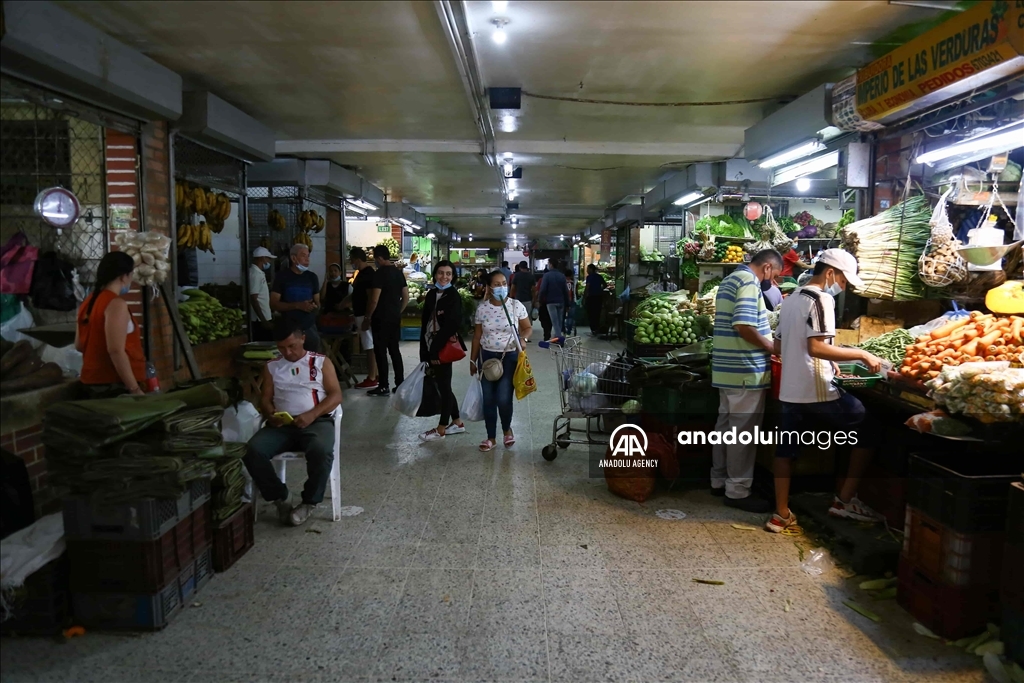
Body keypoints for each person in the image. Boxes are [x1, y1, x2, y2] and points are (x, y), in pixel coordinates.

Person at [767, 249, 884, 533]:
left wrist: (833, 361)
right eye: (843, 281)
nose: (842, 287)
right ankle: (844, 500)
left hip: (790, 389)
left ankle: (781, 514)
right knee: (868, 428)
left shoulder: (792, 297)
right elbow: (816, 346)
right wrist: (861, 355)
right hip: (816, 389)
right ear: (830, 273)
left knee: (785, 451)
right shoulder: (822, 299)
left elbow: (781, 346)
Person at [243, 320, 343, 527]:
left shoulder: (321, 362)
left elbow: (335, 396)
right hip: (282, 425)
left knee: (321, 450)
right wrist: (270, 414)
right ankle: (280, 497)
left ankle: (309, 502)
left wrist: (312, 414)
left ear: (303, 339)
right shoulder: (272, 366)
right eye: (281, 348)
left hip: (316, 422)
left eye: (292, 346)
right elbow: (265, 398)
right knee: (252, 450)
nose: (287, 352)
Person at [709, 249, 782, 513]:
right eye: (774, 276)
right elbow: (744, 325)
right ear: (766, 268)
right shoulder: (749, 283)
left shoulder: (731, 279)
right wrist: (772, 347)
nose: (772, 282)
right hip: (744, 370)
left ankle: (718, 480)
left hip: (727, 369)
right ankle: (737, 491)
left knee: (726, 427)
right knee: (742, 434)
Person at [470, 270, 532, 452]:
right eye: (496, 284)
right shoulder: (482, 309)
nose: (501, 287)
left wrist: (523, 339)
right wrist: (473, 360)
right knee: (488, 399)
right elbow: (477, 336)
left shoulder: (516, 306)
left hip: (509, 358)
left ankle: (507, 430)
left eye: (504, 283)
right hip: (487, 358)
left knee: (504, 398)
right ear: (489, 287)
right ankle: (490, 437)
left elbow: (527, 327)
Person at [74, 252, 146, 397]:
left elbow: (79, 345)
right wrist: (135, 389)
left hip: (90, 382)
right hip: (113, 386)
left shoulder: (88, 303)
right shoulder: (116, 304)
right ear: (123, 277)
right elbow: (115, 351)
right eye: (131, 275)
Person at [418, 260, 467, 442]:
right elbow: (425, 324)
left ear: (453, 276)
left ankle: (441, 428)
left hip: (443, 347)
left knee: (444, 386)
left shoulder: (453, 296)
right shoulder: (431, 294)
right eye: (440, 273)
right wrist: (425, 351)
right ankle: (457, 422)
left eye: (448, 274)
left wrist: (435, 351)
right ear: (435, 274)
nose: (444, 277)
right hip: (430, 345)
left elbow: (450, 326)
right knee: (443, 384)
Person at [363, 244, 409, 396]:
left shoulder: (379, 274)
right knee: (395, 351)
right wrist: (397, 311)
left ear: (379, 258)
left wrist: (367, 317)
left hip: (380, 319)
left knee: (381, 352)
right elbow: (406, 297)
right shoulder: (398, 273)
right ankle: (400, 383)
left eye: (375, 259)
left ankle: (383, 386)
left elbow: (374, 300)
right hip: (394, 318)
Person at [270, 244, 320, 353]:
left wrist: (314, 306)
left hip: (309, 328)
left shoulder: (312, 277)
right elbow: (273, 303)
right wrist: (298, 305)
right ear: (293, 258)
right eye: (303, 255)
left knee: (311, 362)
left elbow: (318, 302)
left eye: (308, 256)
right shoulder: (282, 277)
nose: (307, 259)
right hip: (289, 329)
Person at [341, 248, 379, 389]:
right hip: (361, 314)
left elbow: (371, 297)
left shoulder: (368, 275)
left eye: (351, 259)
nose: (351, 262)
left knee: (370, 347)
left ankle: (372, 377)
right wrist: (343, 303)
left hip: (365, 315)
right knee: (370, 345)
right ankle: (375, 374)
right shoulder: (361, 274)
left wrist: (368, 317)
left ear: (357, 259)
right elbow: (357, 294)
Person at [248, 247, 276, 342]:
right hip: (259, 320)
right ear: (262, 258)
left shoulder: (258, 273)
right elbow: (253, 298)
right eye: (268, 258)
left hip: (263, 317)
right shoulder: (255, 274)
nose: (269, 261)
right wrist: (263, 320)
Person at [539, 260, 569, 338]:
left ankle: (559, 338)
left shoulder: (547, 276)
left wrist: (540, 300)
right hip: (561, 301)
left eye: (548, 264)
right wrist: (567, 303)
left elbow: (543, 289)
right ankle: (558, 335)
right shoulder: (562, 275)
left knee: (554, 321)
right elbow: (565, 290)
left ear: (551, 265)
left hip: (551, 302)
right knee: (559, 321)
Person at [583, 264, 605, 336]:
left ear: (591, 269)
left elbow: (587, 287)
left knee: (591, 314)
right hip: (599, 297)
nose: (587, 270)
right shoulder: (599, 276)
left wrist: (584, 297)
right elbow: (605, 285)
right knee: (597, 313)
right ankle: (596, 329)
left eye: (588, 269)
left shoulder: (589, 277)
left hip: (591, 297)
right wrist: (600, 290)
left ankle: (593, 329)